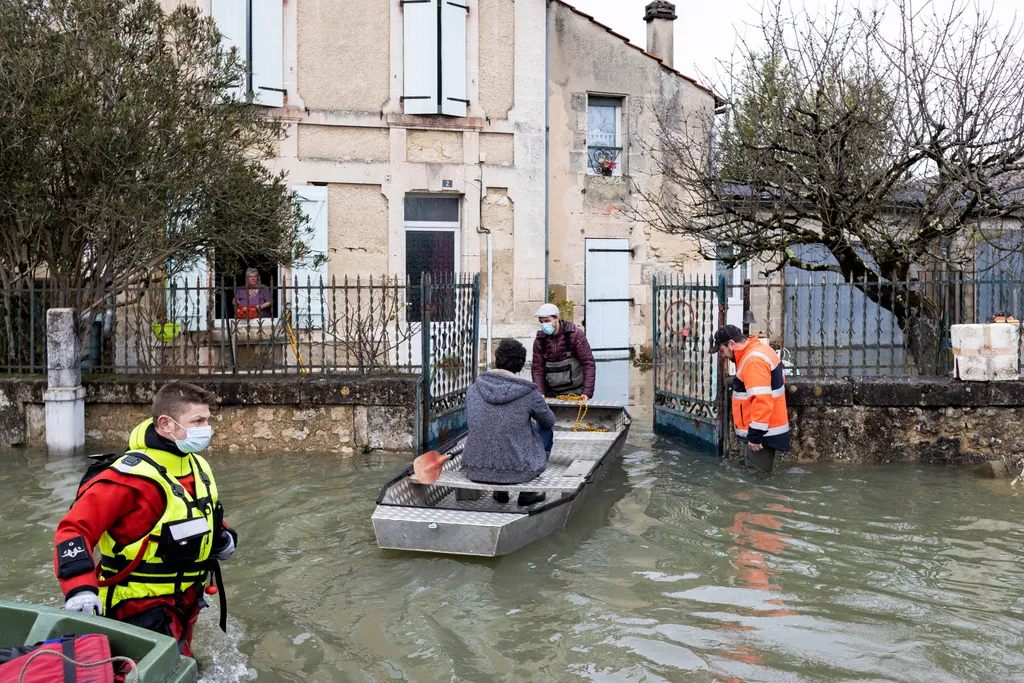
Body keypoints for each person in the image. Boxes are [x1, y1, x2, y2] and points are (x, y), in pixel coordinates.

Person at [54, 382, 237, 658]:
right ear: (166, 424)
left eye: (208, 420)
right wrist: (79, 588)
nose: (207, 428)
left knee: (186, 667)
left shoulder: (198, 465)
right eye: (198, 421)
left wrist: (223, 536)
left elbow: (200, 512)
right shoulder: (128, 478)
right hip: (138, 606)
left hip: (186, 599)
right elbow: (73, 529)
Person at [463, 338, 556, 506]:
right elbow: (549, 421)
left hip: (475, 469)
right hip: (519, 472)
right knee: (544, 429)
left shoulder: (473, 389)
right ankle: (528, 493)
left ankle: (500, 491)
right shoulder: (529, 392)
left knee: (491, 426)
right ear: (521, 366)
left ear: (496, 360)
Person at [710, 325, 791, 475]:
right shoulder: (760, 351)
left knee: (756, 482)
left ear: (732, 344)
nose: (722, 356)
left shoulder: (753, 360)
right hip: (762, 429)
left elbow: (762, 400)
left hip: (762, 435)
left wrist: (755, 435)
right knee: (749, 478)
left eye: (722, 350)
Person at [531, 303, 596, 399]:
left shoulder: (575, 335)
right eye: (541, 322)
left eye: (547, 321)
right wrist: (540, 393)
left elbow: (588, 363)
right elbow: (537, 369)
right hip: (551, 394)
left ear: (557, 317)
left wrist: (587, 392)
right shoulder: (539, 341)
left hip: (576, 393)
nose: (544, 325)